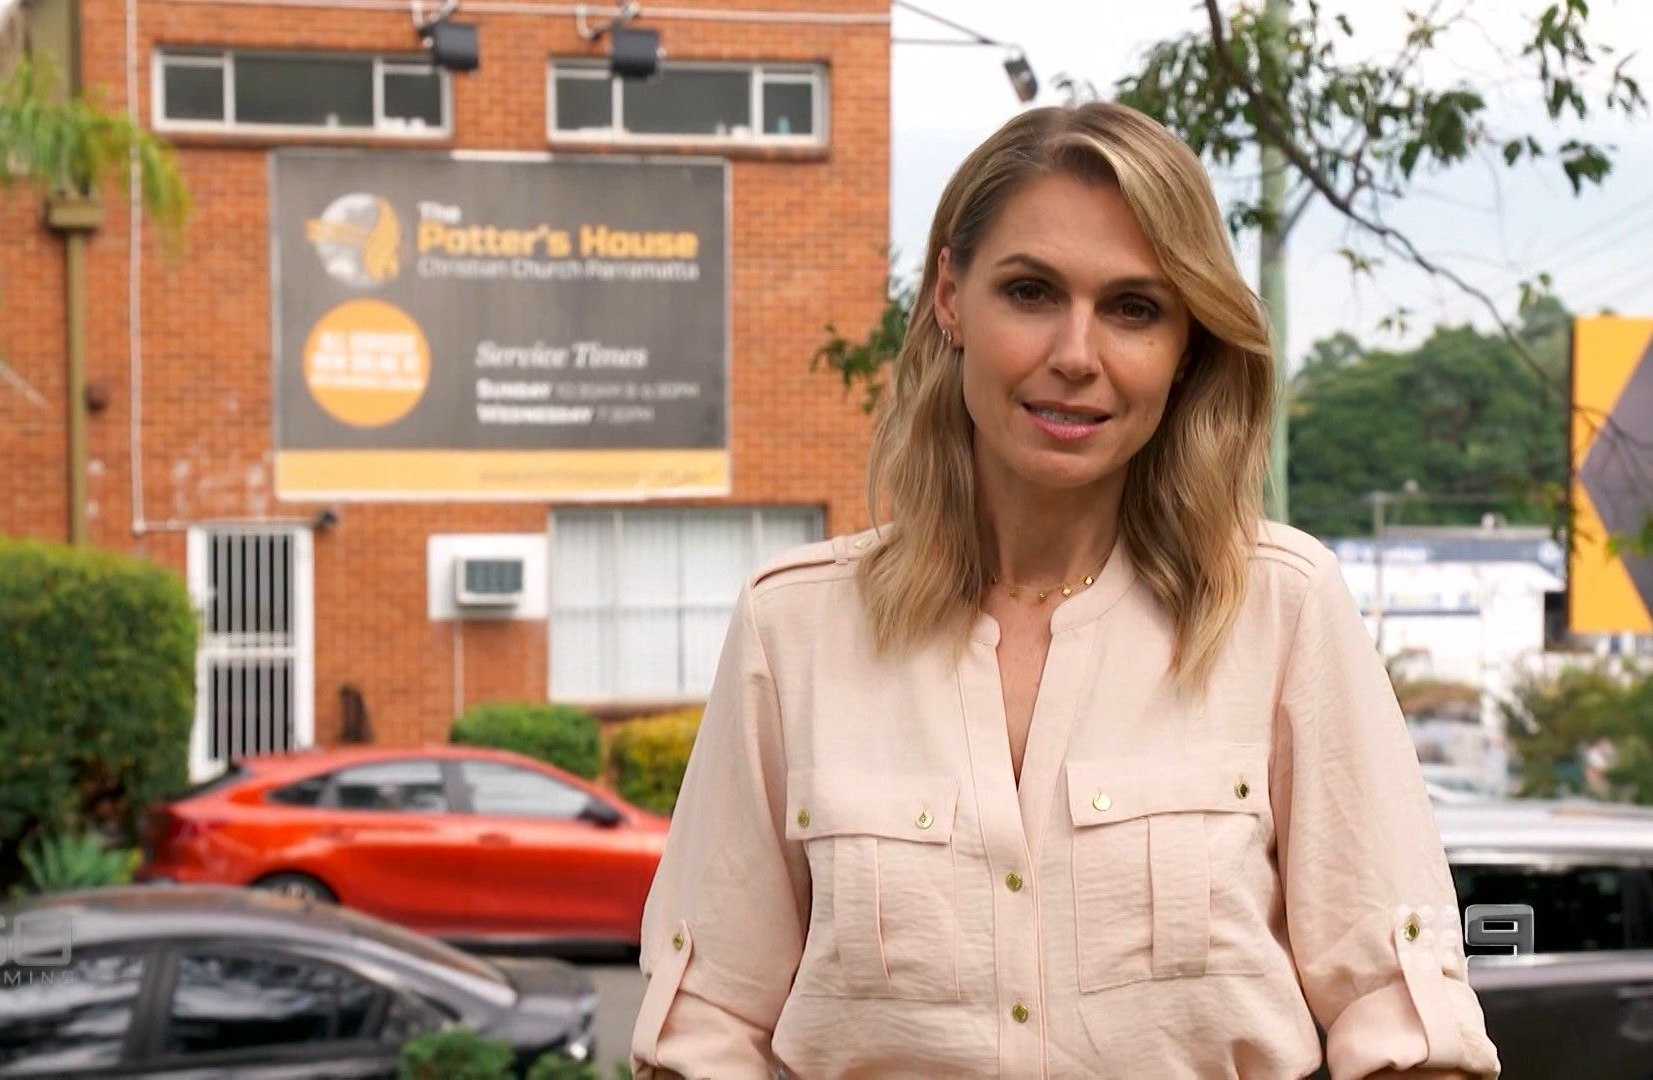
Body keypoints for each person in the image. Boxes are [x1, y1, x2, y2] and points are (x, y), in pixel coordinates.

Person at [629, 102, 1500, 1080]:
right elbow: (704, 1032)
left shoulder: (1281, 610)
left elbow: (1403, 1026)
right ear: (951, 299)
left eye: (1134, 308)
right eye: (1031, 292)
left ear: (1187, 344)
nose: (1077, 355)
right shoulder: (793, 629)